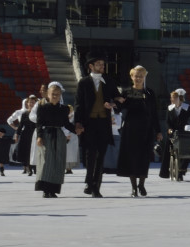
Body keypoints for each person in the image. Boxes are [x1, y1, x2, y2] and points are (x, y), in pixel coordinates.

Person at [74, 57, 122, 198]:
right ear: (91, 66)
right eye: (99, 64)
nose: (102, 66)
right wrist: (78, 122)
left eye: (103, 64)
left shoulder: (109, 81)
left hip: (103, 123)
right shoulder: (83, 82)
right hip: (89, 123)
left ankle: (96, 186)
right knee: (90, 155)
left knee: (101, 155)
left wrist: (113, 104)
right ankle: (89, 182)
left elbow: (119, 99)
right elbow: (78, 104)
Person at [115, 65, 162, 197]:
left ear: (144, 77)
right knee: (131, 158)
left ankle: (141, 184)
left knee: (144, 158)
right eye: (136, 75)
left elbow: (154, 113)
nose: (138, 78)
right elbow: (119, 108)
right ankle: (134, 187)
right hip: (130, 129)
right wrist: (114, 103)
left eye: (141, 76)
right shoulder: (126, 92)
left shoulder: (149, 93)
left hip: (146, 130)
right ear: (132, 77)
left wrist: (158, 131)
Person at [31, 82, 81, 198]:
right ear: (48, 94)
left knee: (58, 162)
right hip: (46, 135)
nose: (55, 96)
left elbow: (66, 124)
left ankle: (53, 190)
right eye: (53, 94)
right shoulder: (42, 107)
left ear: (60, 95)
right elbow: (39, 123)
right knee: (46, 162)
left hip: (59, 135)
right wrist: (39, 136)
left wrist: (75, 130)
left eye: (57, 94)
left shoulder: (64, 109)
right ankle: (45, 189)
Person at [160, 87, 190, 180]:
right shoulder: (170, 108)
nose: (171, 100)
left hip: (184, 134)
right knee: (168, 150)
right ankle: (166, 172)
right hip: (173, 133)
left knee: (187, 151)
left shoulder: (187, 107)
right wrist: (169, 128)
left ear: (178, 98)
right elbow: (167, 122)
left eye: (172, 98)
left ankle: (181, 171)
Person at [8, 95, 39, 175]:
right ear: (27, 103)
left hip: (35, 133)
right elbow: (21, 125)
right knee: (27, 151)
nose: (31, 104)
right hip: (26, 134)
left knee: (35, 151)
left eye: (33, 102)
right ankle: (29, 168)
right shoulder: (24, 113)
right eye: (30, 102)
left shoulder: (38, 113)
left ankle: (35, 167)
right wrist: (17, 135)